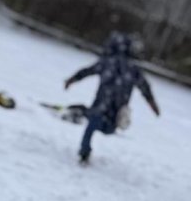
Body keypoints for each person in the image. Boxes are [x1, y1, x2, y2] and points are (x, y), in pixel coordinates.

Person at [64, 32, 160, 164]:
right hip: (110, 113)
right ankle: (84, 149)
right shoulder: (131, 69)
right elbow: (145, 88)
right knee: (96, 123)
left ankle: (82, 114)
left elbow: (87, 71)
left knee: (96, 123)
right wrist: (153, 105)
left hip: (106, 110)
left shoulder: (111, 63)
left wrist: (71, 80)